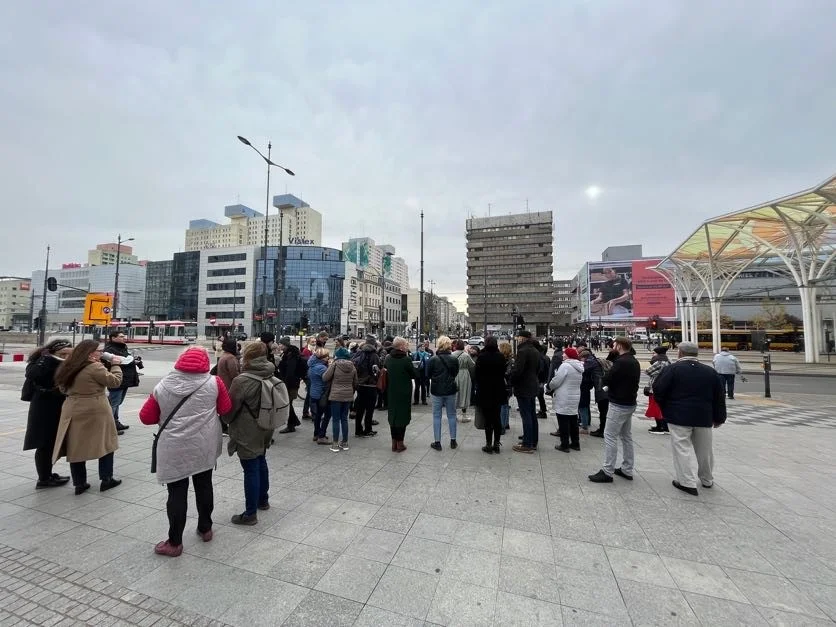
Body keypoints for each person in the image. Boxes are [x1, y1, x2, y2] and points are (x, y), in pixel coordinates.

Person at [139, 346, 231, 557]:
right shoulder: (214, 382)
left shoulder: (163, 385)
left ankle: (174, 542)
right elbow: (225, 409)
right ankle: (205, 528)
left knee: (176, 493)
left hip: (174, 447)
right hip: (204, 444)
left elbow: (146, 418)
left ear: (180, 362)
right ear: (205, 364)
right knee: (204, 485)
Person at [653, 342, 727, 496]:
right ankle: (707, 478)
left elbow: (659, 390)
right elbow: (719, 396)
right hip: (704, 416)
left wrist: (666, 408)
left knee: (681, 448)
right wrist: (719, 417)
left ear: (680, 353)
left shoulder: (672, 369)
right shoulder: (709, 371)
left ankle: (686, 481)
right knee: (705, 450)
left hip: (678, 415)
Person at [53, 340, 123, 495]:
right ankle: (106, 479)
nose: (101, 353)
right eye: (100, 350)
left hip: (72, 408)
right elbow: (115, 382)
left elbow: (62, 388)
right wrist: (116, 365)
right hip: (96, 408)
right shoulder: (94, 367)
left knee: (75, 447)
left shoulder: (68, 365)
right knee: (106, 444)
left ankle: (80, 483)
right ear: (90, 353)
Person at [224, 342, 279, 525]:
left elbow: (230, 409)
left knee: (250, 468)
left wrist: (226, 420)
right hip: (266, 424)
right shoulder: (270, 372)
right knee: (261, 460)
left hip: (247, 429)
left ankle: (250, 514)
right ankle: (263, 500)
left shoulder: (242, 380)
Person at [588, 337, 640, 483]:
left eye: (614, 344)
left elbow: (608, 378)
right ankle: (627, 468)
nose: (612, 346)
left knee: (610, 436)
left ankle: (607, 470)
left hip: (619, 403)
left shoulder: (621, 362)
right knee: (626, 436)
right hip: (629, 402)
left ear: (620, 346)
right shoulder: (633, 361)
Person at [23, 340, 73, 489]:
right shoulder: (42, 361)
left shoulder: (61, 362)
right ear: (52, 352)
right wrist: (48, 358)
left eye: (69, 353)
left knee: (51, 443)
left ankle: (47, 473)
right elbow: (32, 374)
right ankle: (43, 479)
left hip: (57, 406)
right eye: (62, 353)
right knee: (44, 443)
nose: (65, 356)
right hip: (43, 408)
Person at [102, 330, 143, 434]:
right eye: (121, 336)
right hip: (116, 379)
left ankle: (115, 423)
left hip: (125, 379)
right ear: (113, 338)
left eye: (123, 336)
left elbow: (126, 359)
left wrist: (134, 360)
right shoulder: (109, 349)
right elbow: (123, 360)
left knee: (117, 403)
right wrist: (131, 359)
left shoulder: (122, 347)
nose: (123, 338)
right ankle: (109, 427)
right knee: (113, 403)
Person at [384, 337, 417, 452]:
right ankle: (400, 443)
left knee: (393, 416)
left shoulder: (388, 358)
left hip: (391, 391)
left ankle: (394, 443)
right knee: (402, 417)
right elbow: (413, 374)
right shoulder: (406, 359)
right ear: (401, 346)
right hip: (404, 392)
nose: (407, 346)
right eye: (406, 345)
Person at [547, 348, 584, 452]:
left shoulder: (565, 366)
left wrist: (549, 386)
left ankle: (564, 445)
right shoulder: (579, 366)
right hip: (575, 396)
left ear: (568, 355)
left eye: (565, 354)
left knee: (563, 420)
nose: (563, 355)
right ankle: (576, 443)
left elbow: (557, 381)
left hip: (564, 396)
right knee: (573, 420)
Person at [474, 336, 506, 454]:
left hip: (485, 390)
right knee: (497, 417)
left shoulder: (482, 357)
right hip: (498, 389)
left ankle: (488, 444)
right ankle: (496, 443)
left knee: (488, 418)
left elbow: (477, 375)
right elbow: (503, 372)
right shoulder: (501, 356)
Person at [510, 330, 540, 454]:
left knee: (526, 415)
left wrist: (511, 379)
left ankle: (527, 444)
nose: (517, 339)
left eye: (518, 337)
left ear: (523, 338)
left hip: (524, 386)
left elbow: (518, 371)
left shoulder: (522, 351)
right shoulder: (535, 350)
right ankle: (533, 440)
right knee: (532, 414)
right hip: (533, 385)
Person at [427, 335, 459, 451]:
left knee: (436, 416)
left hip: (436, 390)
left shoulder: (433, 359)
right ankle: (453, 440)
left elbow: (428, 374)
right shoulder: (454, 359)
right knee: (452, 415)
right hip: (450, 389)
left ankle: (437, 442)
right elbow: (455, 373)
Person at [324, 346, 357, 451]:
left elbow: (325, 377)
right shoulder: (352, 366)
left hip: (336, 396)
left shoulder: (335, 365)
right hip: (347, 396)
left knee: (335, 420)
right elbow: (356, 382)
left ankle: (335, 444)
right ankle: (345, 443)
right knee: (344, 419)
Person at [351, 335, 381, 438]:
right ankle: (368, 429)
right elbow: (376, 372)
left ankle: (358, 430)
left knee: (360, 409)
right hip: (371, 385)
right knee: (369, 409)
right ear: (374, 344)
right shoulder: (374, 356)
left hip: (360, 384)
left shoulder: (359, 353)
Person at [277, 336, 305, 433]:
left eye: (281, 344)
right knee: (289, 403)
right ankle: (293, 422)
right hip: (290, 382)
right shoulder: (287, 354)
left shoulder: (291, 355)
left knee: (288, 403)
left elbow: (290, 371)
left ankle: (291, 424)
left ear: (285, 345)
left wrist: (285, 383)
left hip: (291, 383)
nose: (279, 345)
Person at [306, 347, 332, 444]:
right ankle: (321, 436)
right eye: (327, 356)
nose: (328, 358)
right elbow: (328, 379)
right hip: (322, 394)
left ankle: (316, 434)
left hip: (313, 393)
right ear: (322, 358)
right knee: (327, 415)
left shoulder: (312, 365)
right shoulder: (322, 368)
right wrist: (330, 367)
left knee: (317, 415)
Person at [646, 346, 671, 434]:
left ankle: (659, 427)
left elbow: (648, 371)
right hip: (665, 389)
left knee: (656, 408)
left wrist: (656, 373)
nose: (653, 354)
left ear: (658, 353)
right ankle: (665, 427)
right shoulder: (668, 361)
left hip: (656, 388)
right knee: (662, 408)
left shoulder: (659, 362)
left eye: (654, 353)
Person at [452, 340, 475, 423]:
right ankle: (464, 416)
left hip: (455, 374)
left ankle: (453, 416)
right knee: (464, 393)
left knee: (454, 394)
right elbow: (472, 365)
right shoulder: (466, 355)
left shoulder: (452, 354)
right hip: (464, 375)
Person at [577, 348, 595, 434]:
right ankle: (585, 423)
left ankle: (584, 427)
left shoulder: (587, 365)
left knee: (582, 407)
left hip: (583, 388)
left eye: (581, 358)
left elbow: (583, 375)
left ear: (584, 357)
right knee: (585, 407)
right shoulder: (591, 363)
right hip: (587, 389)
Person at [499, 342, 514, 433]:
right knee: (505, 405)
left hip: (505, 385)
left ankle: (502, 426)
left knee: (503, 406)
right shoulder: (510, 360)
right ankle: (506, 423)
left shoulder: (508, 360)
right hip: (508, 385)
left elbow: (508, 373)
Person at [536, 344, 550, 420]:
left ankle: (543, 411)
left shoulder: (541, 358)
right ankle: (543, 410)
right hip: (545, 378)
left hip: (541, 380)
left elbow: (540, 370)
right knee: (540, 396)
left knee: (540, 396)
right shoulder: (547, 357)